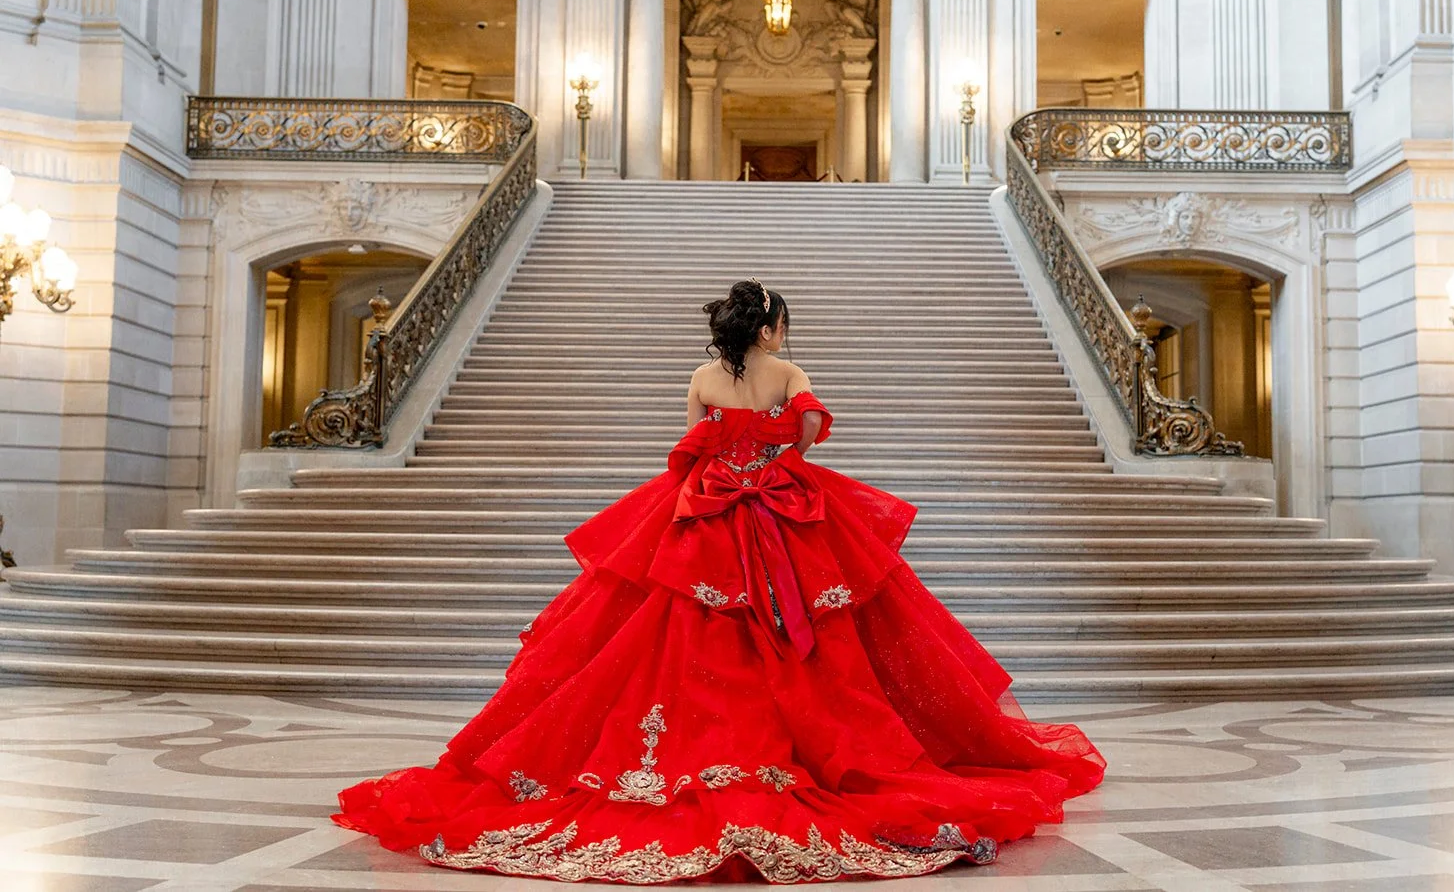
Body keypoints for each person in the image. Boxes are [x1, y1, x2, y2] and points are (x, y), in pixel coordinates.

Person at [333, 278, 1105, 883]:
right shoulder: (789, 369)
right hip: (783, 513)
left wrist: (724, 465)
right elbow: (807, 429)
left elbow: (692, 441)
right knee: (830, 639)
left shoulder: (703, 374)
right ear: (769, 327)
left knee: (657, 637)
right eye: (782, 323)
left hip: (701, 517)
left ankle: (687, 752)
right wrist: (770, 462)